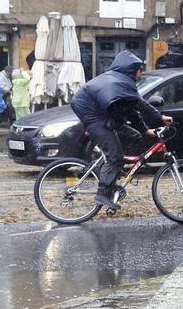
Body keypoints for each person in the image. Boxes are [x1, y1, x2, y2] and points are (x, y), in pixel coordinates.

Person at [70, 50, 172, 210]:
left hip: (102, 115)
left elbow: (132, 110)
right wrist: (160, 117)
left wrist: (145, 131)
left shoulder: (120, 82)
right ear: (132, 70)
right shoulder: (121, 82)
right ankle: (103, 194)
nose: (142, 72)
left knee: (134, 136)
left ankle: (111, 166)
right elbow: (140, 104)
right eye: (140, 69)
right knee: (116, 157)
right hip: (95, 116)